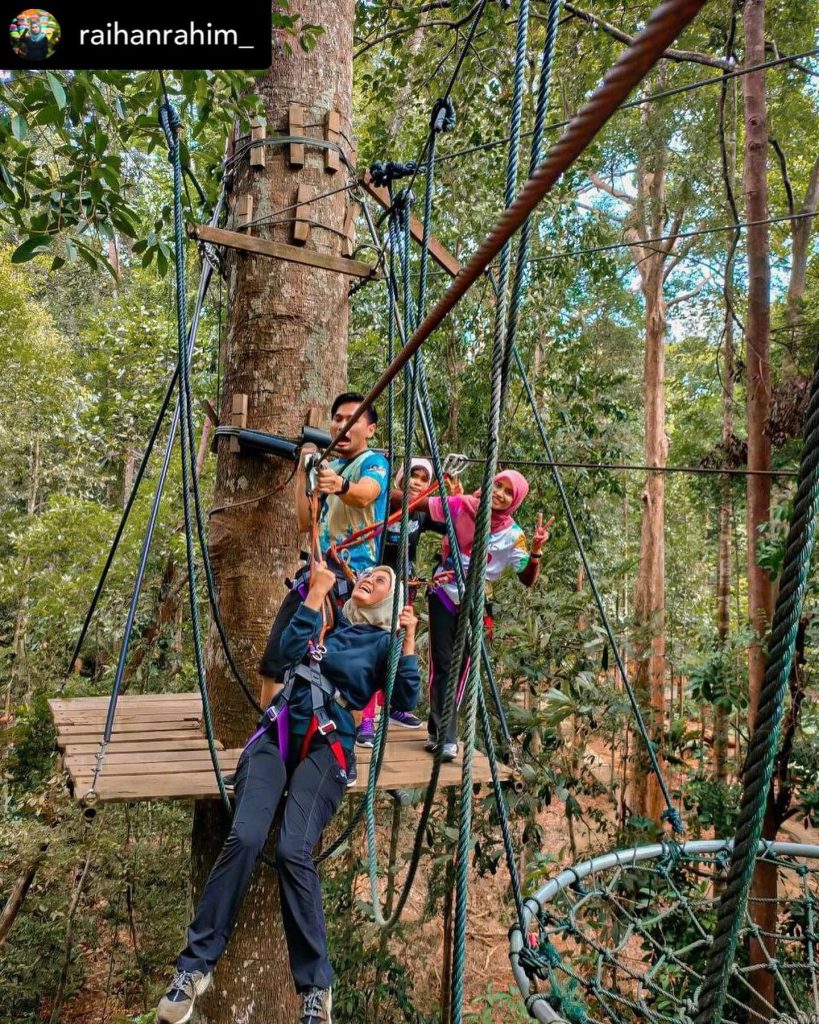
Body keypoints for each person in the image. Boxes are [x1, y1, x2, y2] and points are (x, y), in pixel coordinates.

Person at [156, 563, 419, 1024]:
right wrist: (314, 596)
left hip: (326, 747)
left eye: (380, 581)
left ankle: (317, 989)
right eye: (367, 575)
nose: (368, 579)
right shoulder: (326, 628)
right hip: (276, 738)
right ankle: (192, 971)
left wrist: (409, 640)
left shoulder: (383, 646)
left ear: (389, 605)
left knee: (293, 848)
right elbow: (281, 657)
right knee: (246, 837)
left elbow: (405, 699)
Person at [259, 392, 390, 718]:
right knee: (276, 659)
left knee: (342, 667)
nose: (342, 425)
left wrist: (340, 485)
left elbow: (366, 495)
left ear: (370, 429)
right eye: (338, 419)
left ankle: (337, 749)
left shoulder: (373, 462)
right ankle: (270, 735)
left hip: (351, 577)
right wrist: (305, 474)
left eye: (352, 419)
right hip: (316, 572)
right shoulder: (327, 466)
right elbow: (306, 521)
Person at [418, 470, 552, 760]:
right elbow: (420, 505)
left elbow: (527, 579)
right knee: (442, 664)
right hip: (443, 591)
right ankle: (447, 736)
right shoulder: (462, 505)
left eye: (507, 491)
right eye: (497, 485)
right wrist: (357, 490)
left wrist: (536, 552)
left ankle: (437, 729)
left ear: (515, 500)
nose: (500, 494)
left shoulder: (513, 536)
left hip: (475, 601)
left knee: (461, 667)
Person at [356, 457, 447, 746]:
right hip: (377, 584)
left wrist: (455, 498)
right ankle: (366, 720)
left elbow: (449, 523)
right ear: (399, 477)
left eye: (423, 478)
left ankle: (394, 706)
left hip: (404, 585)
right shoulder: (385, 501)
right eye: (412, 476)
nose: (417, 482)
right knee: (373, 646)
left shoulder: (420, 513)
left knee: (397, 642)